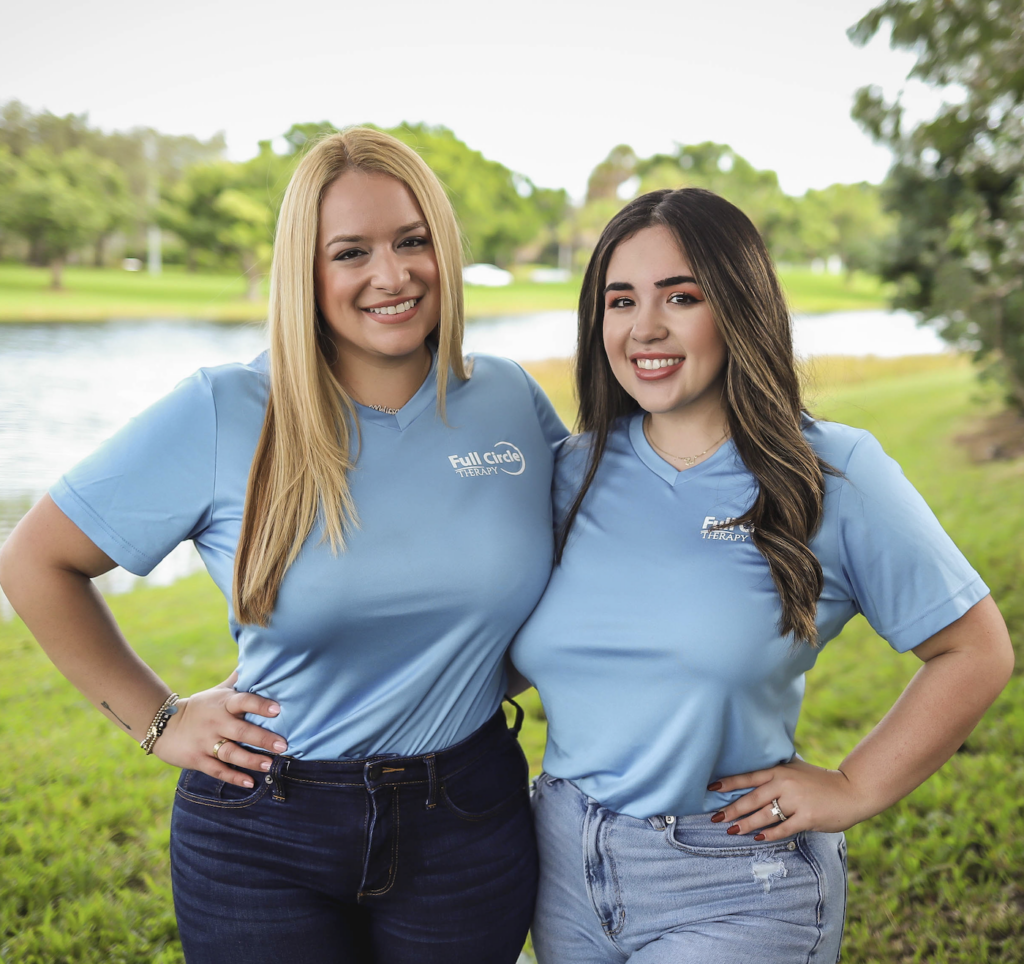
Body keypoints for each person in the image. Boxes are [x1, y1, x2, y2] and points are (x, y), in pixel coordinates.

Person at [0, 128, 567, 964]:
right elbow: (35, 560)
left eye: (413, 241)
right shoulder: (225, 410)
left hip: (468, 818)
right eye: (351, 252)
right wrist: (161, 721)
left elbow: (587, 562)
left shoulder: (511, 400)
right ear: (307, 271)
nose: (392, 274)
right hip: (264, 828)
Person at [509, 188, 1013, 964]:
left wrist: (852, 788)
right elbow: (479, 646)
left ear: (739, 304)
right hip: (566, 866)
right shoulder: (566, 474)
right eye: (621, 300)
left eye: (682, 296)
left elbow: (976, 650)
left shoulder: (831, 471)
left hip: (735, 877)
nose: (646, 327)